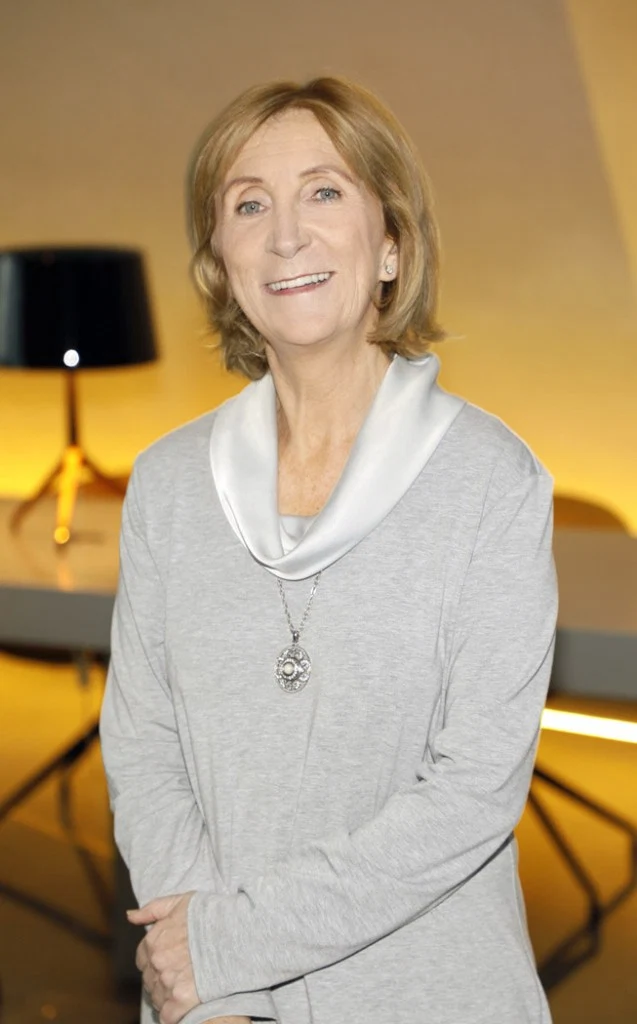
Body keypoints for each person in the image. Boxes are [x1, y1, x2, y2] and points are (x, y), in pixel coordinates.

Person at [99, 76, 558, 1024]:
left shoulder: (490, 482)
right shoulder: (167, 484)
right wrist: (212, 991)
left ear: (390, 243)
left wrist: (228, 947)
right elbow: (142, 747)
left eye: (323, 191)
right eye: (248, 205)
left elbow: (472, 793)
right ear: (219, 261)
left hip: (428, 995)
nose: (285, 236)